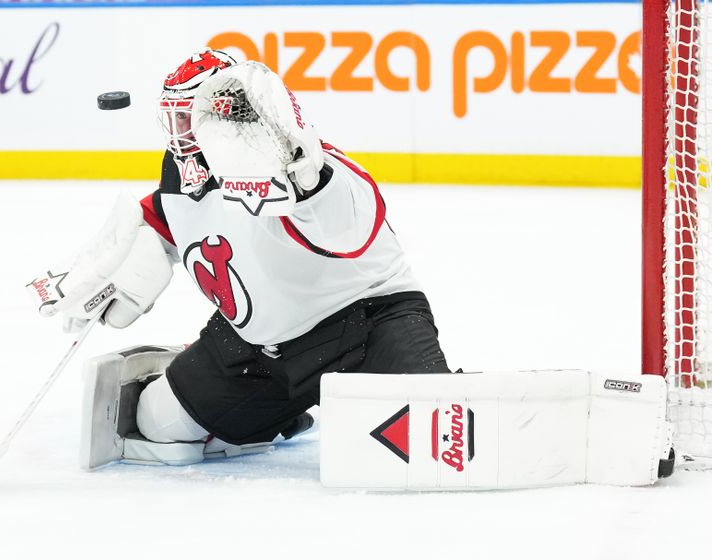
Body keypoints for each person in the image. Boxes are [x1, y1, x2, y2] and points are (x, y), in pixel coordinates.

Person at [36, 48, 451, 465]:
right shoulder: (180, 173)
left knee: (433, 431)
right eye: (173, 117)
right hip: (257, 349)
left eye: (189, 118)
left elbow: (349, 226)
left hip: (364, 324)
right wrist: (118, 265)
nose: (179, 132)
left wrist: (308, 179)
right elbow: (162, 219)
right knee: (157, 424)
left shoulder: (300, 162)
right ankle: (280, 416)